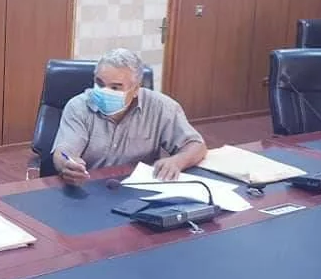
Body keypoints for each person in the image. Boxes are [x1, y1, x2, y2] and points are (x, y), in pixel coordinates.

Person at [51, 48, 206, 185]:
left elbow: (196, 145)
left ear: (136, 89)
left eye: (115, 87)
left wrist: (177, 161)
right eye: (100, 84)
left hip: (137, 189)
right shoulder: (78, 107)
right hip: (89, 187)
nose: (104, 91)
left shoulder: (162, 107)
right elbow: (64, 151)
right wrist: (67, 164)